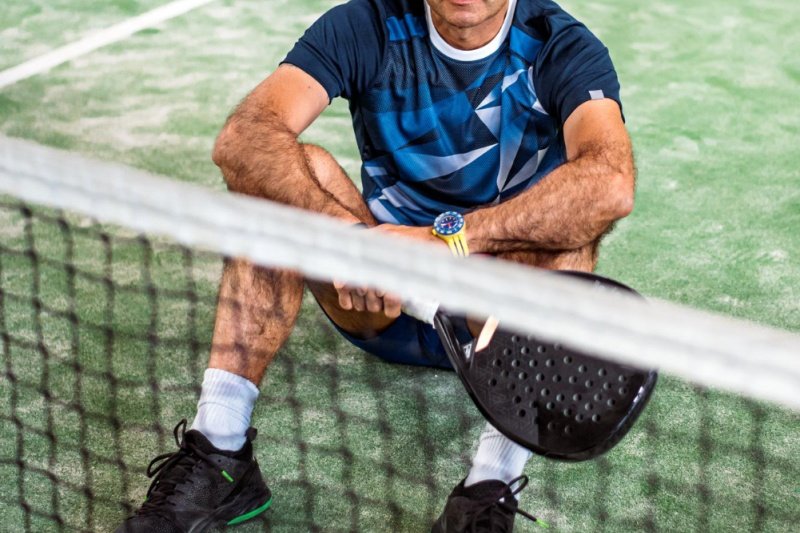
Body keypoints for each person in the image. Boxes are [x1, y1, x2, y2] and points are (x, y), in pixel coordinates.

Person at [116, 0, 634, 531]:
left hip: (503, 320)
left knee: (574, 222)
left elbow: (611, 184)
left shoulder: (559, 44)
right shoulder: (365, 25)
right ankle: (220, 450)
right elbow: (244, 137)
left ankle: (487, 489)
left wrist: (447, 242)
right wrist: (355, 244)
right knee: (284, 178)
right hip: (374, 299)